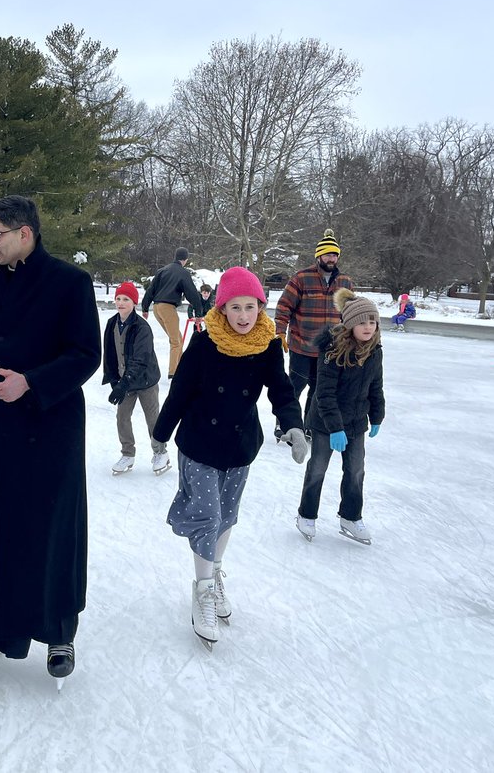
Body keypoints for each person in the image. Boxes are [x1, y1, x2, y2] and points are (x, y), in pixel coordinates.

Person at [0, 195, 100, 685]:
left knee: (50, 527)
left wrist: (31, 382)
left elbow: (85, 354)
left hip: (50, 427)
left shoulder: (70, 283)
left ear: (25, 234)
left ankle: (58, 631)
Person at [152, 267, 308, 650]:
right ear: (222, 308)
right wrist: (161, 432)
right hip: (200, 443)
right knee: (208, 515)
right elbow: (180, 390)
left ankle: (215, 573)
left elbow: (281, 390)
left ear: (260, 307)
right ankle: (203, 589)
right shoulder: (205, 342)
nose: (243, 315)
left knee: (227, 516)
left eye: (250, 307)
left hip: (239, 446)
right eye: (235, 307)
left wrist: (293, 425)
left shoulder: (267, 344)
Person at [295, 288, 385, 545]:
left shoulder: (374, 351)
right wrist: (335, 428)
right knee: (318, 469)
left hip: (356, 423)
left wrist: (377, 416)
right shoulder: (333, 351)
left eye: (372, 322)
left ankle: (350, 517)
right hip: (326, 423)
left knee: (356, 471)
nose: (368, 327)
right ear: (350, 324)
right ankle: (306, 514)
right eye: (362, 322)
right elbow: (324, 394)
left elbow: (376, 386)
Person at [275, 229, 354, 419]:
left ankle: (310, 425)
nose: (331, 259)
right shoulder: (301, 278)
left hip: (329, 348)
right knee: (294, 387)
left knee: (319, 390)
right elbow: (284, 307)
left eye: (334, 255)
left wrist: (352, 337)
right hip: (301, 345)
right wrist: (280, 332)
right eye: (327, 254)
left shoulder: (345, 282)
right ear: (318, 256)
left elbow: (350, 313)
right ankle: (285, 422)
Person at [103, 281, 169, 476]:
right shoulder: (112, 323)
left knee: (152, 419)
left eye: (126, 299)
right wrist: (114, 380)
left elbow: (140, 360)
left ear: (134, 302)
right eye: (118, 298)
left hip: (145, 381)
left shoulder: (142, 327)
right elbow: (110, 353)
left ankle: (160, 453)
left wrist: (123, 384)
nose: (121, 303)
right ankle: (128, 454)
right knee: (122, 417)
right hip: (125, 381)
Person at [141, 247, 204, 377]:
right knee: (176, 341)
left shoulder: (162, 270)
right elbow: (192, 293)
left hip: (156, 308)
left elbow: (151, 289)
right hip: (168, 308)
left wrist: (145, 307)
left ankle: (179, 367)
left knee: (178, 339)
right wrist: (198, 312)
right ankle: (173, 372)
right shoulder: (183, 272)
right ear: (185, 259)